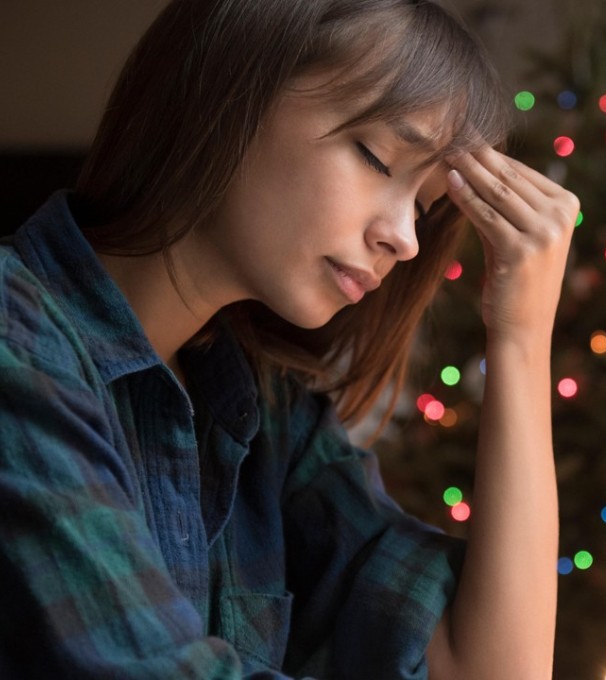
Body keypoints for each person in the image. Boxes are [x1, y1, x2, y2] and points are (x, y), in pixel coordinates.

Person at [0, 0, 577, 678]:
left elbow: (489, 669)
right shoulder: (19, 345)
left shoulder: (265, 412)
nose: (405, 237)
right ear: (229, 86)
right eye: (376, 155)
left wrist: (519, 340)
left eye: (422, 206)